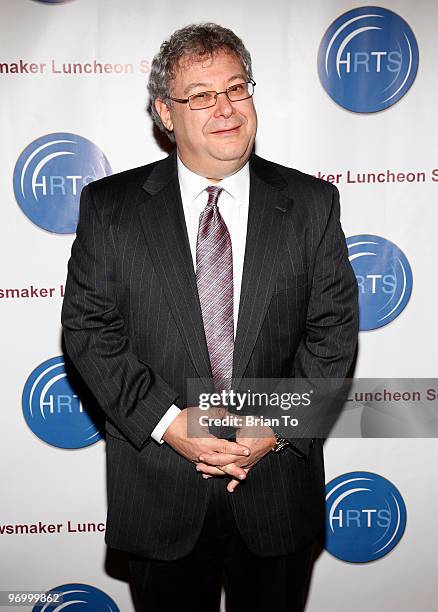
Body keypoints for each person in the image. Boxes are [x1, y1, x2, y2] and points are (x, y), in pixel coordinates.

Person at [61, 22, 358, 612]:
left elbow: (331, 336)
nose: (224, 108)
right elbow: (89, 331)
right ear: (164, 114)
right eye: (199, 95)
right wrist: (170, 424)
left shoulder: (311, 204)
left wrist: (272, 427)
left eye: (236, 88)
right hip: (159, 488)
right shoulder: (110, 209)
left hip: (276, 490)